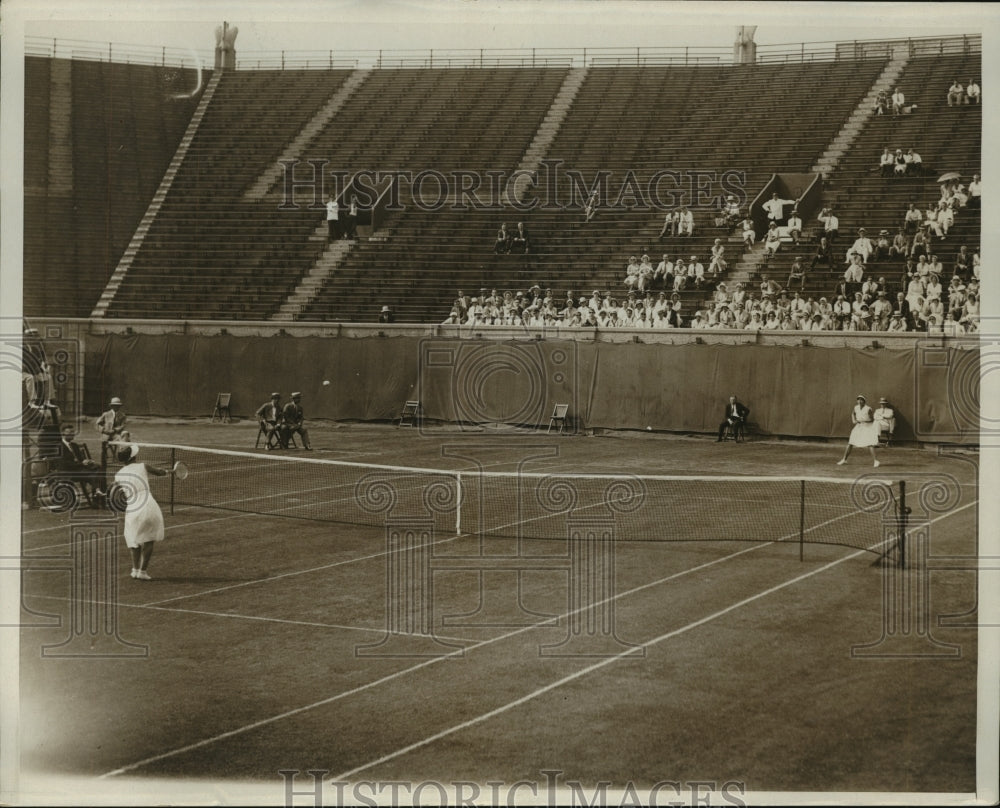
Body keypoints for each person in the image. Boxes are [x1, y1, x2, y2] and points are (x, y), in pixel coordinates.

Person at [114, 443, 169, 580]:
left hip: (132, 508)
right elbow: (159, 472)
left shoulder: (118, 475)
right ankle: (143, 572)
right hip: (148, 506)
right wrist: (166, 471)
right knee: (149, 539)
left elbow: (115, 490)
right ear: (134, 456)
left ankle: (135, 570)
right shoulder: (143, 466)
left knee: (134, 540)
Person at [55, 422, 105, 507]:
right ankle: (97, 494)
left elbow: (81, 459)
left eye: (73, 432)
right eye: (70, 433)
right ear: (63, 434)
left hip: (79, 469)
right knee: (96, 474)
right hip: (67, 471)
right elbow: (63, 463)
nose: (72, 434)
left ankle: (97, 495)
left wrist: (87, 461)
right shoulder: (59, 446)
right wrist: (81, 463)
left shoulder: (74, 445)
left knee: (98, 469)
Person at [837, 395, 880, 467]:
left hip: (867, 427)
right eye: (858, 400)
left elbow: (872, 420)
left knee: (870, 444)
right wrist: (854, 420)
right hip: (858, 427)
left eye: (861, 400)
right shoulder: (856, 407)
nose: (859, 401)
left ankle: (876, 461)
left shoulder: (868, 409)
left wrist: (864, 420)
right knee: (850, 443)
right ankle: (844, 459)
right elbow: (853, 413)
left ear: (864, 401)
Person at [96, 396, 127, 471]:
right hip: (106, 434)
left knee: (122, 440)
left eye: (118, 406)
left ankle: (121, 456)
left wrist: (115, 430)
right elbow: (98, 423)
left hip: (115, 434)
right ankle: (103, 459)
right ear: (111, 406)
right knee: (104, 444)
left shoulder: (122, 415)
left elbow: (123, 425)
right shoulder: (106, 414)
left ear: (120, 406)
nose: (116, 407)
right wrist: (104, 430)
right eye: (114, 405)